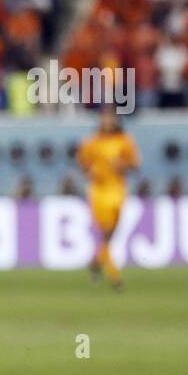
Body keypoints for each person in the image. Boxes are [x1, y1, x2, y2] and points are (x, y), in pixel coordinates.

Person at [76, 111, 141, 289]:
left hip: (118, 190)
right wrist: (89, 172)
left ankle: (97, 262)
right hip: (99, 191)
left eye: (110, 118)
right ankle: (114, 276)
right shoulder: (91, 142)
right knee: (106, 232)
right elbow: (83, 162)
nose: (107, 122)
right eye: (104, 118)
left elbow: (136, 164)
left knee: (112, 233)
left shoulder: (125, 141)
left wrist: (124, 165)